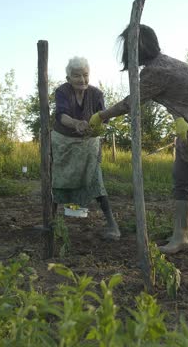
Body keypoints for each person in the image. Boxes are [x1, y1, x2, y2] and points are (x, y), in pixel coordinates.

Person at [89, 25, 188, 256]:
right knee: (181, 180)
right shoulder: (161, 65)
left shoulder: (157, 71)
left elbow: (132, 102)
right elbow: (181, 98)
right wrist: (178, 117)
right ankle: (180, 237)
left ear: (139, 46)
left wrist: (101, 116)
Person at [52, 56, 120, 240]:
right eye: (76, 76)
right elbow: (61, 116)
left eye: (85, 75)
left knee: (96, 181)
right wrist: (76, 123)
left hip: (88, 145)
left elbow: (104, 119)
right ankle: (50, 223)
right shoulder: (62, 91)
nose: (82, 80)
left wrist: (97, 127)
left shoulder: (97, 94)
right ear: (68, 78)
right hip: (64, 144)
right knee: (56, 180)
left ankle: (113, 226)